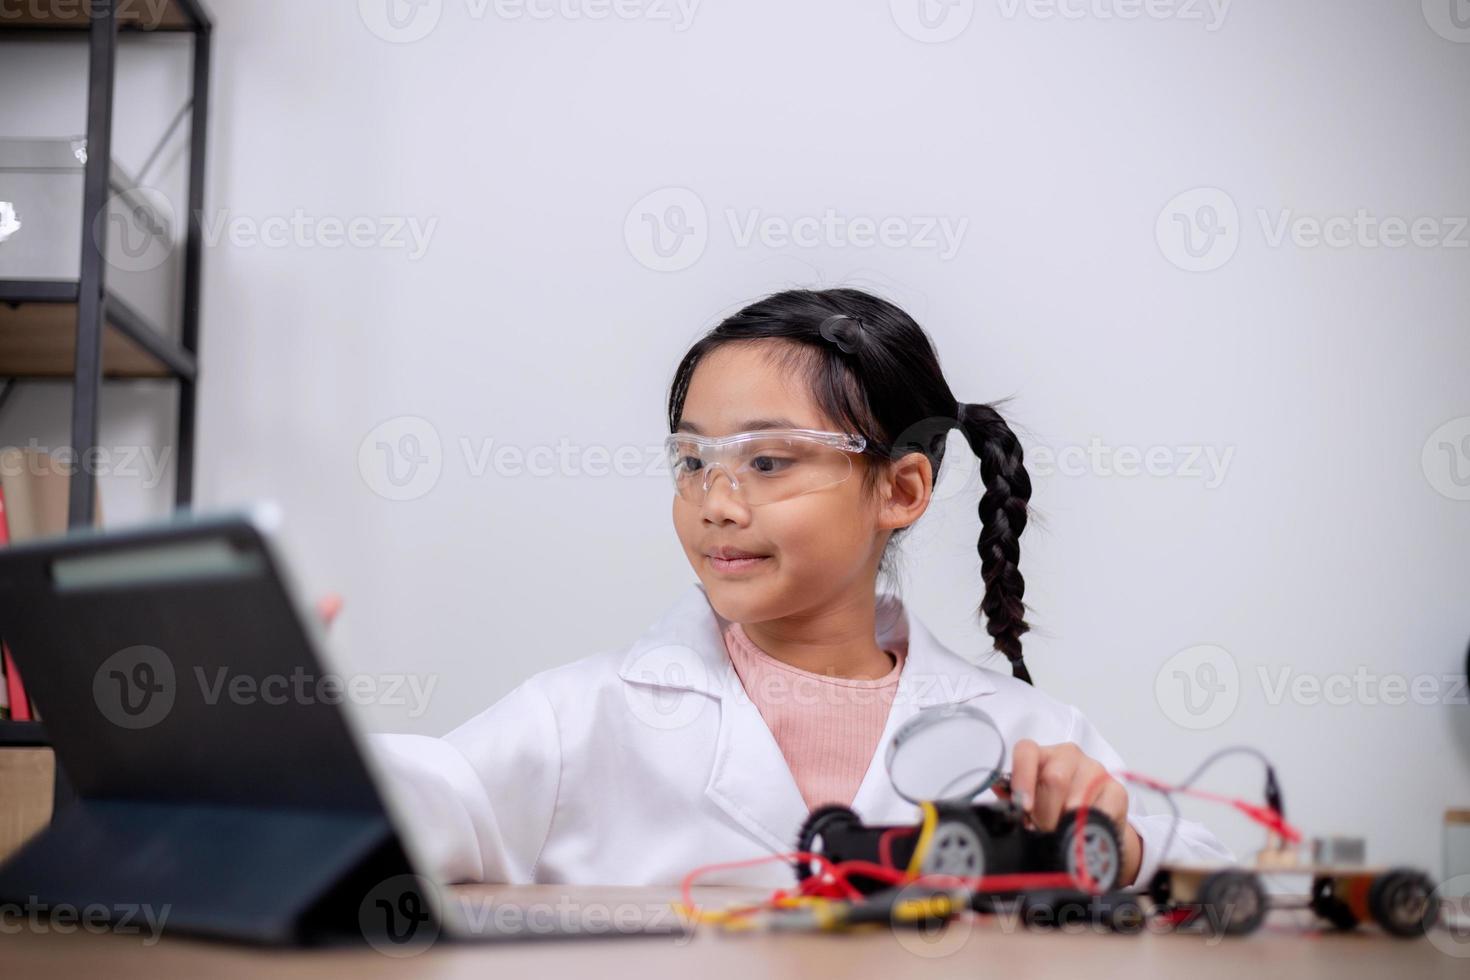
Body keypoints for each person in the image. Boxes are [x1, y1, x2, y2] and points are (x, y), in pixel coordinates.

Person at [370, 287, 1231, 887]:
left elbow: (1206, 867)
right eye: (691, 462)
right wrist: (267, 723)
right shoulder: (583, 720)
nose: (716, 504)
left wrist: (1112, 834)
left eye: (768, 461)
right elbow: (412, 809)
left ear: (901, 491)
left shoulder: (1025, 736)